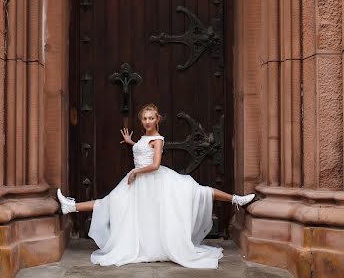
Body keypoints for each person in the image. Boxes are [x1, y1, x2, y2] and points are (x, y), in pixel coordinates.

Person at [57, 103, 257, 269]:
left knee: (200, 192)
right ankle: (70, 207)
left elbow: (155, 165)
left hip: (154, 181)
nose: (147, 121)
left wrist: (136, 171)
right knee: (109, 203)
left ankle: (236, 199)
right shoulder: (145, 138)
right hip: (139, 184)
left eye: (151, 118)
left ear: (158, 119)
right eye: (144, 118)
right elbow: (143, 150)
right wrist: (131, 142)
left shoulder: (157, 140)